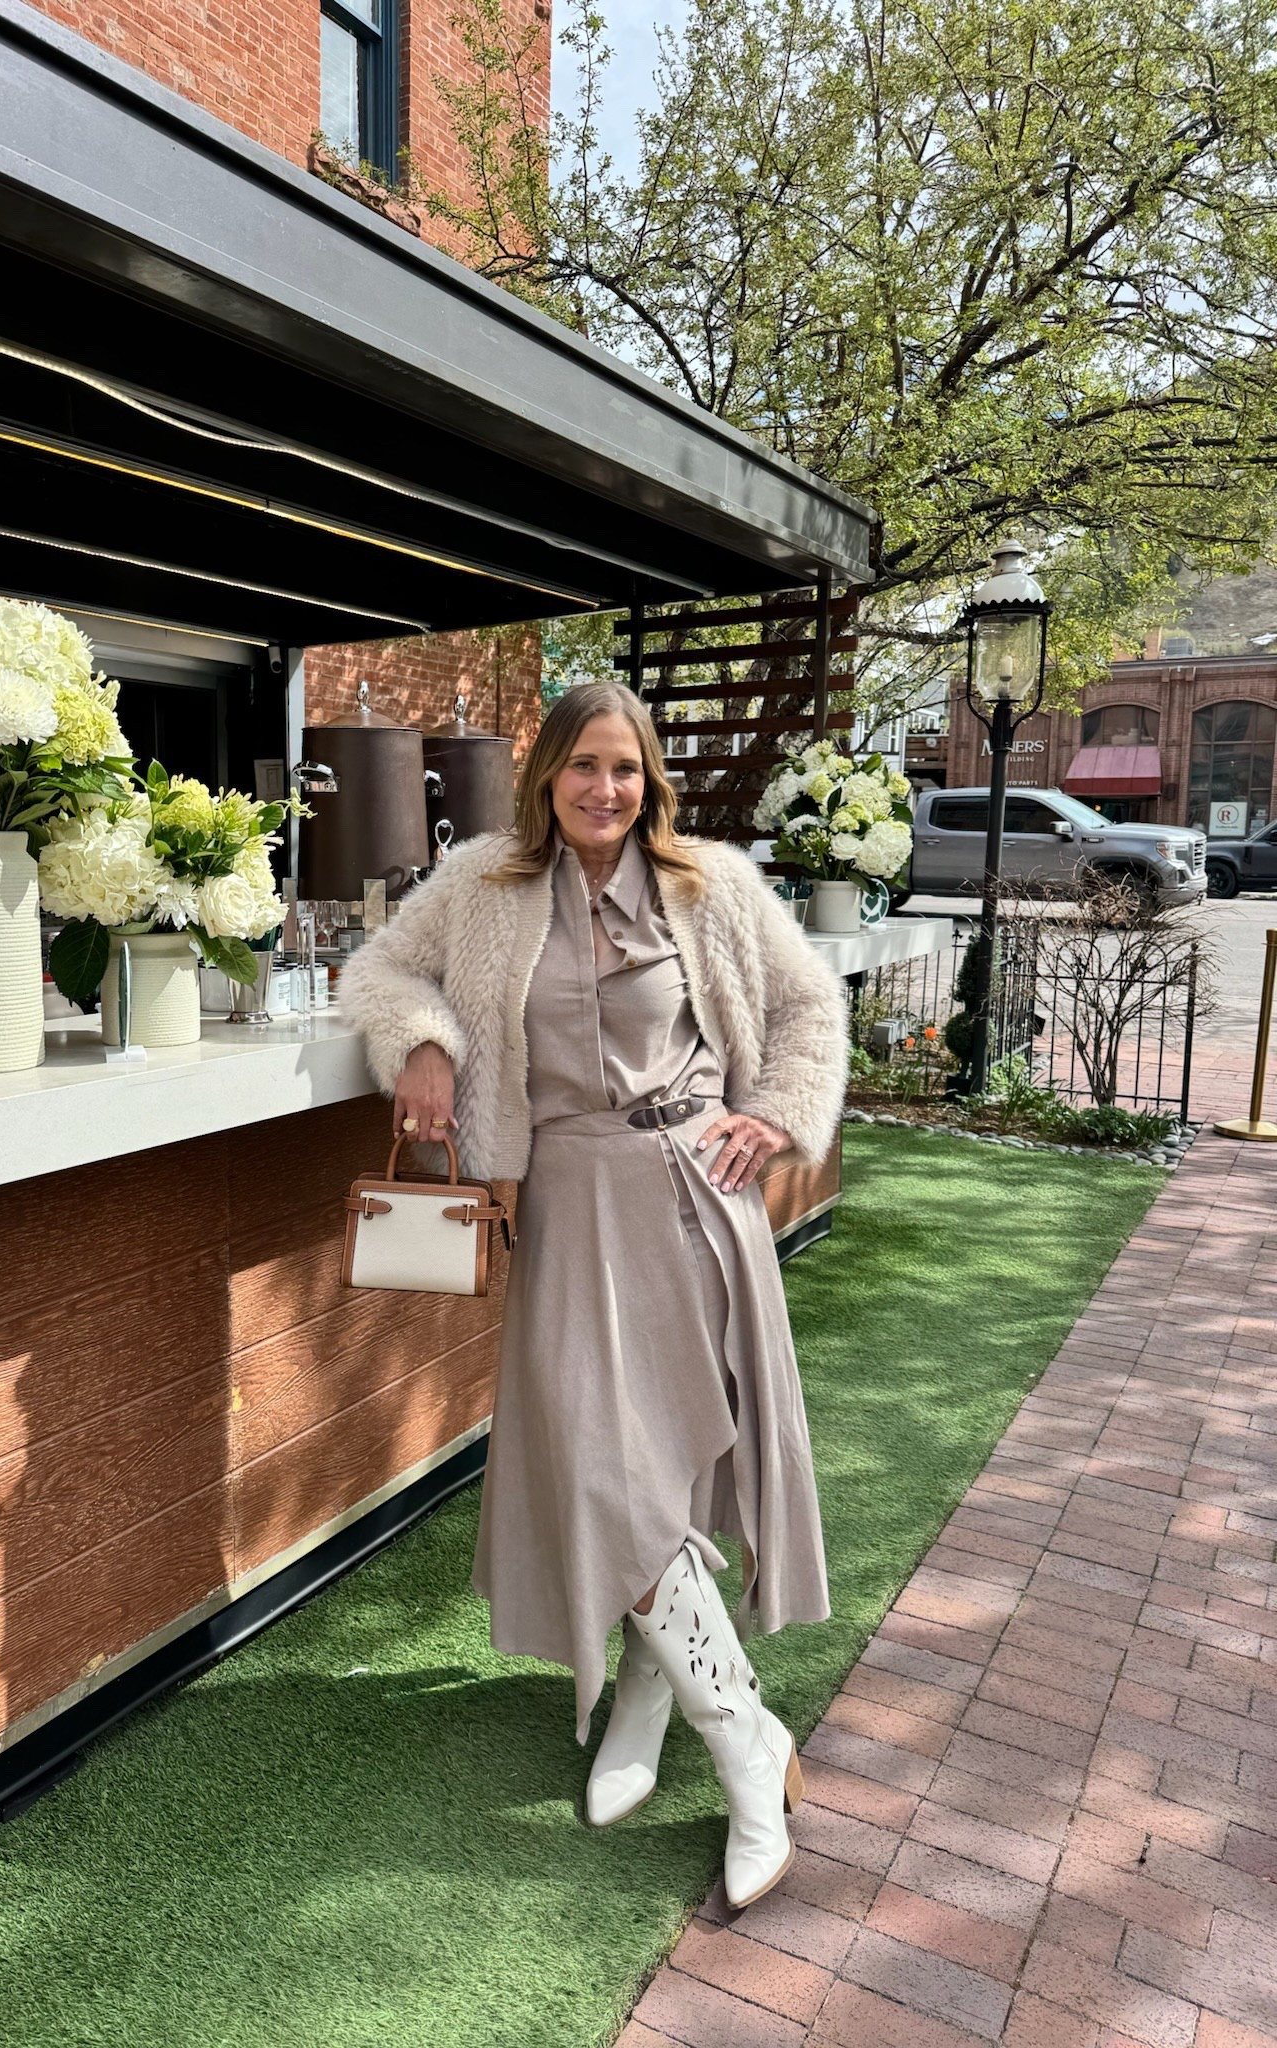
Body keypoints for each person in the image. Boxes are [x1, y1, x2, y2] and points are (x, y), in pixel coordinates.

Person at [340, 682, 846, 1907]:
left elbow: (808, 1006)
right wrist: (423, 1040)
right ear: (546, 775)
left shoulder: (711, 883)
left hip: (698, 1198)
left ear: (650, 778)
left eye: (625, 767)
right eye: (583, 766)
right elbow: (380, 969)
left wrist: (774, 1114)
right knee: (604, 1468)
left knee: (665, 1467)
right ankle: (748, 1737)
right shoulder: (482, 882)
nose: (604, 789)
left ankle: (655, 1697)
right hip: (569, 1203)